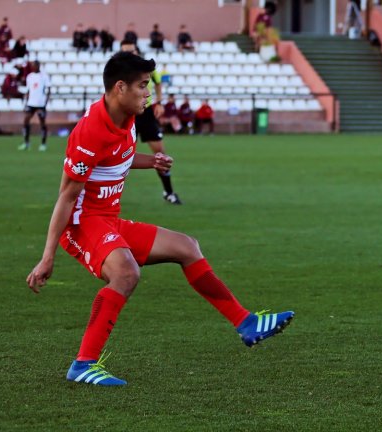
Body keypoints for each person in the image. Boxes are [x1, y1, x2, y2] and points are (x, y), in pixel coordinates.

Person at [25, 51, 294, 387]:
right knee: (125, 273)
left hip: (108, 219)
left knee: (187, 246)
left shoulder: (128, 117)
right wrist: (47, 256)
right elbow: (66, 196)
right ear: (120, 87)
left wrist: (150, 162)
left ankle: (246, 323)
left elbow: (115, 159)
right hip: (82, 223)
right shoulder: (89, 131)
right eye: (142, 86)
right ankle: (83, 364)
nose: (148, 93)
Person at [121, 41, 181, 204]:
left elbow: (158, 81)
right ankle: (106, 195)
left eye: (131, 51)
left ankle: (168, 192)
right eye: (124, 52)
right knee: (118, 154)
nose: (128, 54)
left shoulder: (146, 68)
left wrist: (159, 102)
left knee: (160, 154)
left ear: (136, 51)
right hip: (127, 115)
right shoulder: (119, 69)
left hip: (146, 114)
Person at [18, 61, 51, 151]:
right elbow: (28, 90)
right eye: (33, 66)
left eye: (35, 65)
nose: (34, 67)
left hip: (40, 103)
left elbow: (48, 89)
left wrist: (46, 102)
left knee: (42, 122)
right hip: (31, 103)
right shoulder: (30, 76)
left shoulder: (44, 76)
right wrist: (26, 101)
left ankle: (43, 144)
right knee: (26, 121)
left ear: (39, 66)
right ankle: (26, 143)